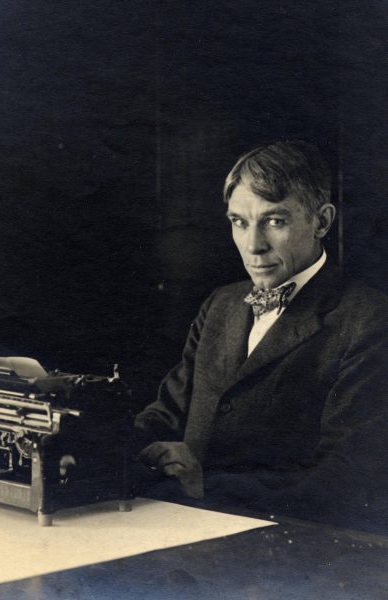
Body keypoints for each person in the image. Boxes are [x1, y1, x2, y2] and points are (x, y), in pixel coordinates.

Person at [134, 140, 388, 530]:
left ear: (321, 222)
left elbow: (347, 478)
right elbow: (166, 415)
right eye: (240, 222)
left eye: (275, 221)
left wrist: (205, 487)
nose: (253, 246)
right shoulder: (220, 304)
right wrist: (106, 455)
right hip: (179, 528)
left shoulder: (368, 319)